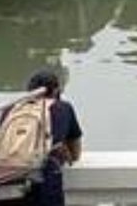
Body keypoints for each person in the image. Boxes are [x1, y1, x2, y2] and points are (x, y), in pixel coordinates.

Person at [19, 69, 82, 206]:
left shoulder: (12, 108)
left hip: (9, 179)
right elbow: (76, 153)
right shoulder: (63, 108)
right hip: (46, 178)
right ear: (56, 90)